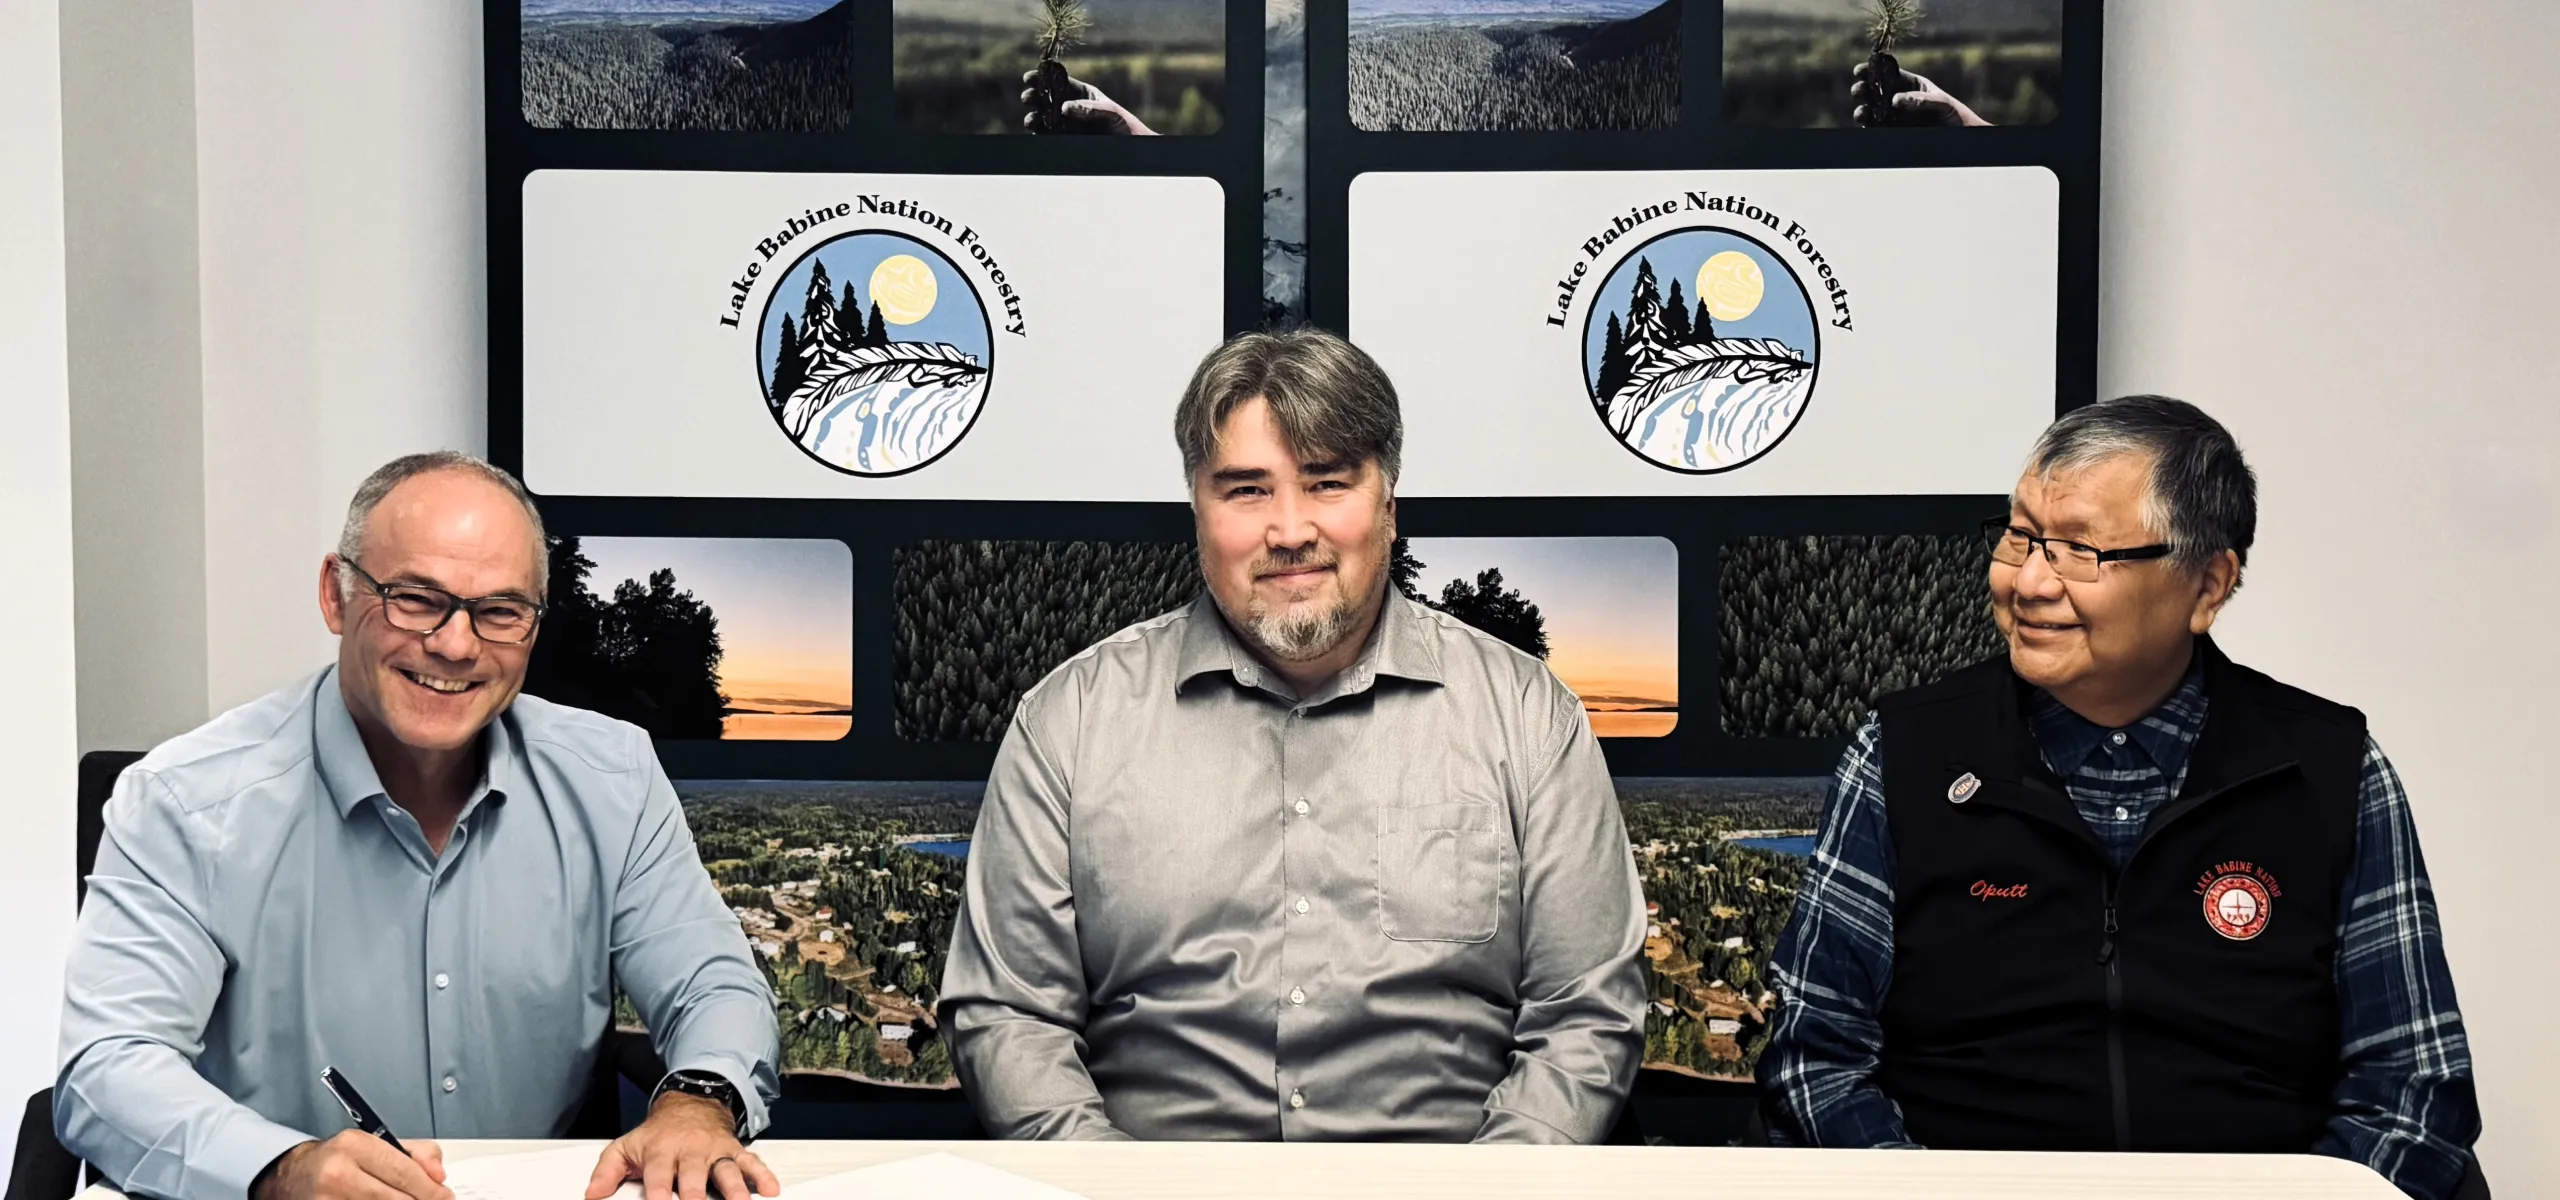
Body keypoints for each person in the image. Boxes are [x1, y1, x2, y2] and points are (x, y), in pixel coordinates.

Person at [1758, 397, 2482, 1199]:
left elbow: (2413, 1096)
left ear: (2208, 584)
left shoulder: (2329, 771)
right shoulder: (1905, 754)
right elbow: (1813, 1058)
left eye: (2078, 551)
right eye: (2021, 536)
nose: (2029, 581)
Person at [941, 329, 1647, 1141]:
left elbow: (1586, 1015)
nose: (1290, 529)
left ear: (1388, 501)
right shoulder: (1069, 721)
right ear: (1196, 506)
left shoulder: (1526, 717)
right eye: (1247, 490)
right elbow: (1009, 1017)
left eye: (1327, 484)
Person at [56, 453, 783, 1200]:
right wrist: (276, 1169)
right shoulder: (186, 801)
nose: (456, 645)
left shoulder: (614, 777)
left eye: (499, 610)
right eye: (415, 598)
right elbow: (108, 1066)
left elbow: (714, 983)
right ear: (336, 597)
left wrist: (698, 1100)